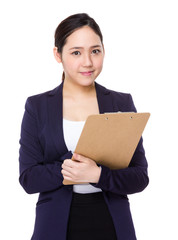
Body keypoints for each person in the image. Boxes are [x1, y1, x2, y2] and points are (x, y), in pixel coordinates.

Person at [19, 13, 149, 240]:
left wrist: (98, 174)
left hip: (112, 224)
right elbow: (28, 178)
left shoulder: (121, 103)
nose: (88, 62)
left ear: (103, 51)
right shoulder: (37, 106)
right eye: (76, 52)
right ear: (57, 55)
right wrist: (70, 167)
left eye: (95, 51)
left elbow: (139, 176)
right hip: (55, 226)